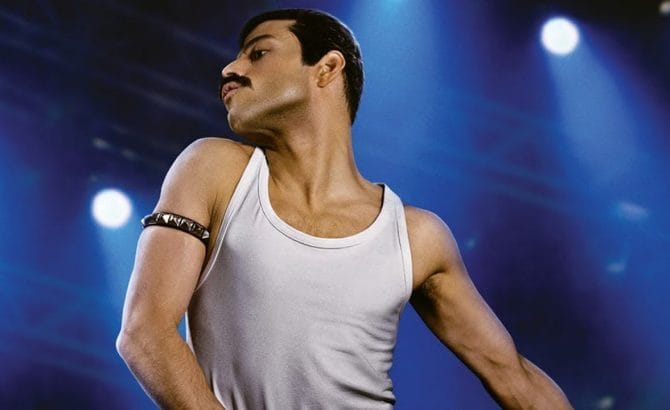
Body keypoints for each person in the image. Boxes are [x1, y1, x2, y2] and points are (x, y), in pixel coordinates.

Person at [116, 8, 572, 410]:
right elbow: (145, 332)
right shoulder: (214, 168)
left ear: (327, 68)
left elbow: (514, 378)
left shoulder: (417, 236)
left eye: (259, 53)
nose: (230, 68)